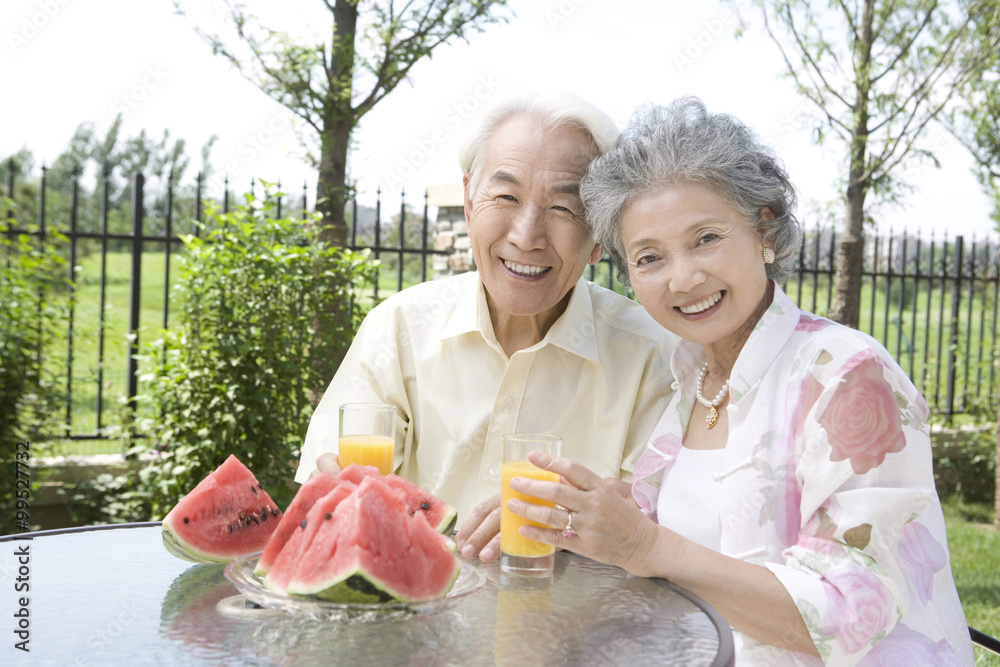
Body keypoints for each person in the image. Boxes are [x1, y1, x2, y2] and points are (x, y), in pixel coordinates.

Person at [505, 97, 973, 665]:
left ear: (764, 230)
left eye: (706, 238)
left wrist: (645, 545)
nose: (683, 277)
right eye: (650, 258)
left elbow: (854, 612)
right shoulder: (692, 381)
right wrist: (564, 520)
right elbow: (677, 537)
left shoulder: (845, 375)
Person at [295, 92, 679, 562]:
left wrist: (576, 527)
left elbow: (656, 536)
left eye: (563, 209)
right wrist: (338, 499)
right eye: (506, 196)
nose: (525, 235)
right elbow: (332, 498)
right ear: (470, 205)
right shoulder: (398, 330)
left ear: (599, 236)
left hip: (578, 628)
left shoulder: (653, 358)